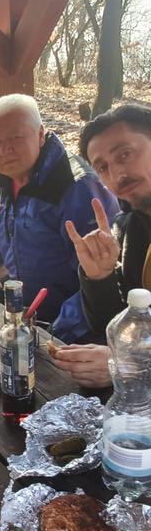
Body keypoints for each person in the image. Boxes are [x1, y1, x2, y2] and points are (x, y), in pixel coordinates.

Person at [0, 93, 119, 344]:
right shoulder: (4, 183)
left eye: (15, 138)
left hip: (75, 321)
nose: (5, 149)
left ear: (40, 135)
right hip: (23, 301)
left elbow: (102, 282)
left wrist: (53, 333)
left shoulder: (75, 187)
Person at [51, 104, 151, 387]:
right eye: (103, 168)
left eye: (125, 155)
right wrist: (99, 278)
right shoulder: (129, 228)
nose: (118, 174)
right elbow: (114, 326)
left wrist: (129, 367)